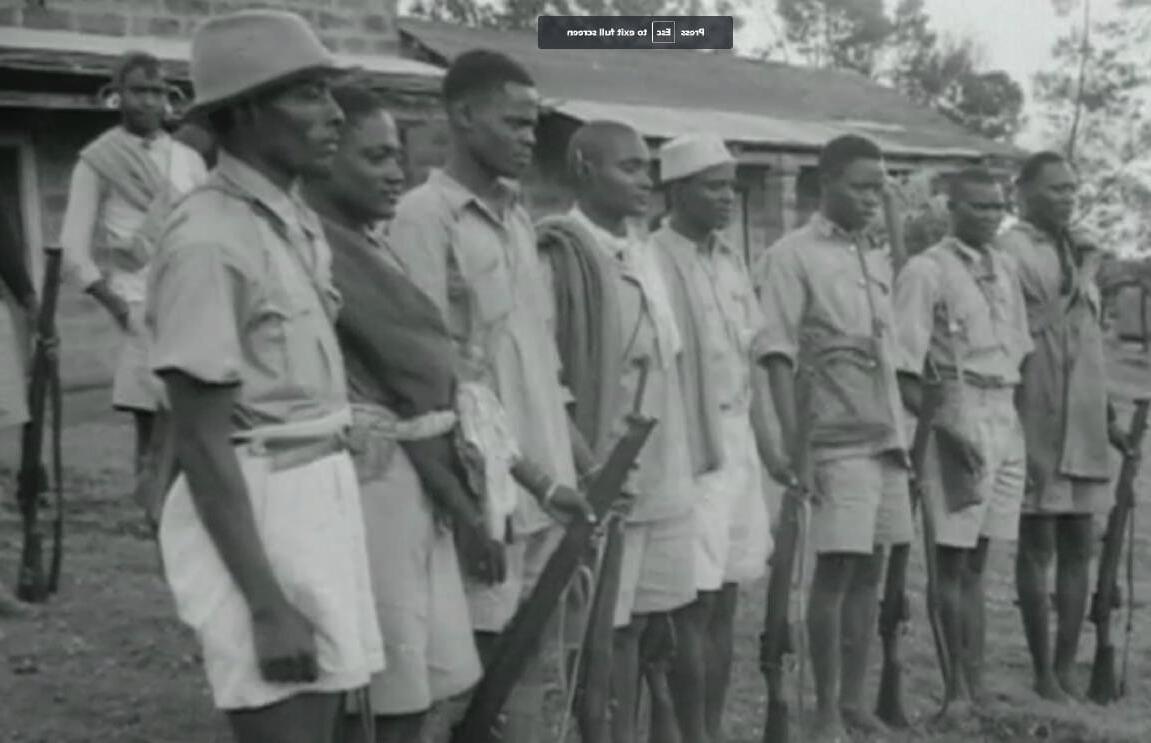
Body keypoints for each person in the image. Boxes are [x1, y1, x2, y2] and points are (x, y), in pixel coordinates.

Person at [145, 11, 383, 743]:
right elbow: (200, 439)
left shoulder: (288, 219)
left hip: (317, 492)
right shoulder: (208, 239)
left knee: (331, 715)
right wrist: (266, 602)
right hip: (261, 503)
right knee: (285, 720)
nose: (334, 114)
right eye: (308, 93)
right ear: (245, 112)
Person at [387, 49, 591, 742]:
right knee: (478, 665)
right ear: (464, 116)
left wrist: (571, 454)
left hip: (544, 473)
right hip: (485, 482)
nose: (528, 138)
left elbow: (537, 352)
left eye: (534, 124)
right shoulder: (424, 218)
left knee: (533, 655)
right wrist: (467, 497)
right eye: (514, 122)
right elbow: (425, 369)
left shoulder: (518, 219)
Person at [538, 120, 696, 743]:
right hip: (600, 473)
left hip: (658, 471)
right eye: (629, 167)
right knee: (595, 635)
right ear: (584, 167)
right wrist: (589, 469)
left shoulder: (643, 252)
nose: (645, 181)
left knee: (640, 626)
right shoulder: (559, 253)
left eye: (647, 168)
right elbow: (547, 379)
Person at [756, 134, 915, 742]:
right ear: (825, 184)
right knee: (836, 570)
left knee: (872, 568)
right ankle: (823, 712)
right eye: (861, 187)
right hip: (834, 437)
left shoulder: (873, 255)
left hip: (885, 432)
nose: (873, 198)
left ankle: (853, 701)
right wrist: (797, 449)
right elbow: (775, 353)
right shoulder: (792, 256)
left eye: (880, 188)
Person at [651, 133, 777, 743]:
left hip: (737, 439)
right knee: (692, 601)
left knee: (728, 593)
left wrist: (770, 445)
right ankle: (687, 730)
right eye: (713, 187)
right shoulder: (653, 258)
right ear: (676, 191)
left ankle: (713, 726)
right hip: (687, 444)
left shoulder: (731, 260)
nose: (727, 197)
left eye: (731, 186)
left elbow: (753, 356)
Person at [892, 167, 1032, 714]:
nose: (991, 216)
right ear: (951, 210)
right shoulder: (926, 271)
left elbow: (1019, 351)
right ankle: (954, 690)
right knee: (950, 558)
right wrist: (946, 427)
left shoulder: (1006, 268)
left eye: (998, 206)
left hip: (1004, 408)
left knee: (980, 559)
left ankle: (975, 682)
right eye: (978, 206)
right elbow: (904, 368)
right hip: (956, 406)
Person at [997, 151, 1129, 701]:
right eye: (1056, 189)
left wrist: (1108, 417)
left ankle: (1068, 663)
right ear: (1022, 192)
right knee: (1038, 542)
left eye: (1073, 189)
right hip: (1038, 410)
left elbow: (1087, 341)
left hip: (1084, 421)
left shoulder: (1079, 249)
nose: (1068, 198)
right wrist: (1086, 273)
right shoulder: (1011, 251)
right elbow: (1028, 330)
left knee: (1081, 542)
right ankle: (1042, 669)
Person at [60, 50, 207, 476]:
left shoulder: (189, 160)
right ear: (117, 95)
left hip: (195, 300)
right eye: (139, 91)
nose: (149, 101)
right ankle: (153, 511)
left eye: (158, 91)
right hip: (141, 304)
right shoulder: (98, 161)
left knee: (202, 424)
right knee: (153, 434)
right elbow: (73, 251)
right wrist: (120, 309)